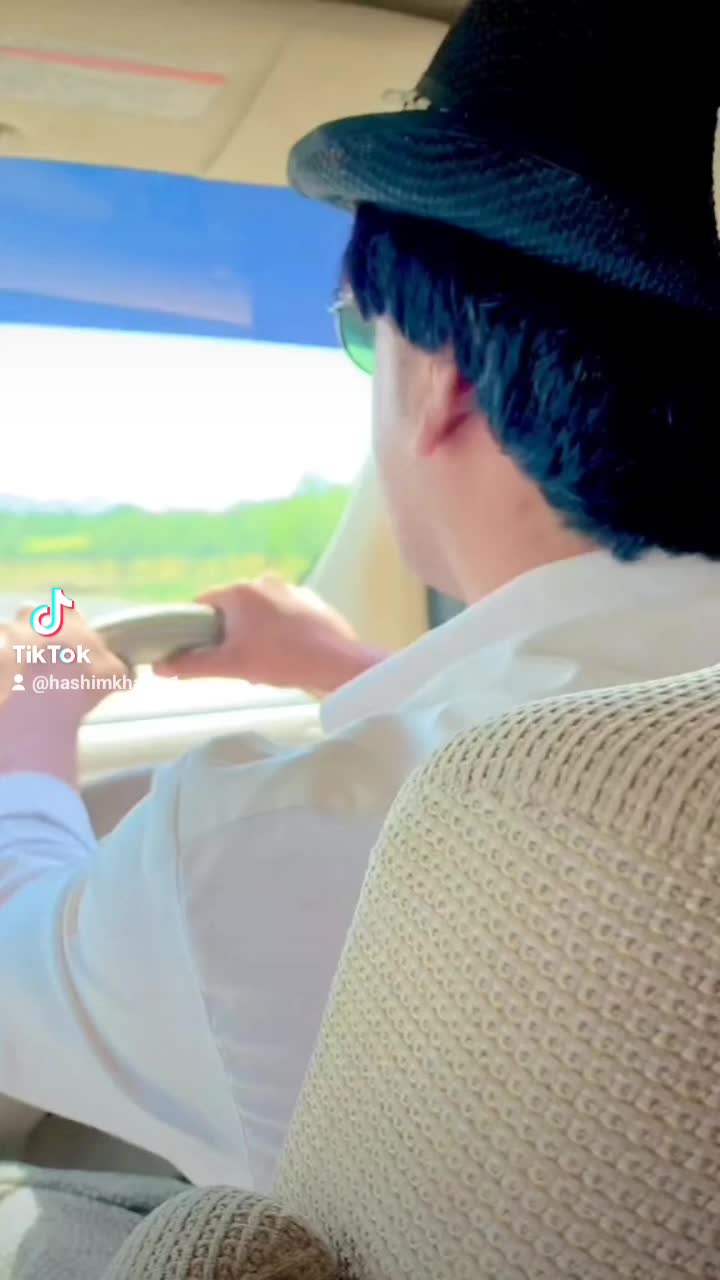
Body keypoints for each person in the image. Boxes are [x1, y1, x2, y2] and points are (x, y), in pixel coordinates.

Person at [1, 0, 719, 1192]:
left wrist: (30, 718)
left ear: (438, 377)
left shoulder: (273, 840)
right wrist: (345, 672)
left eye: (360, 337)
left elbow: (19, 981)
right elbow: (597, 732)